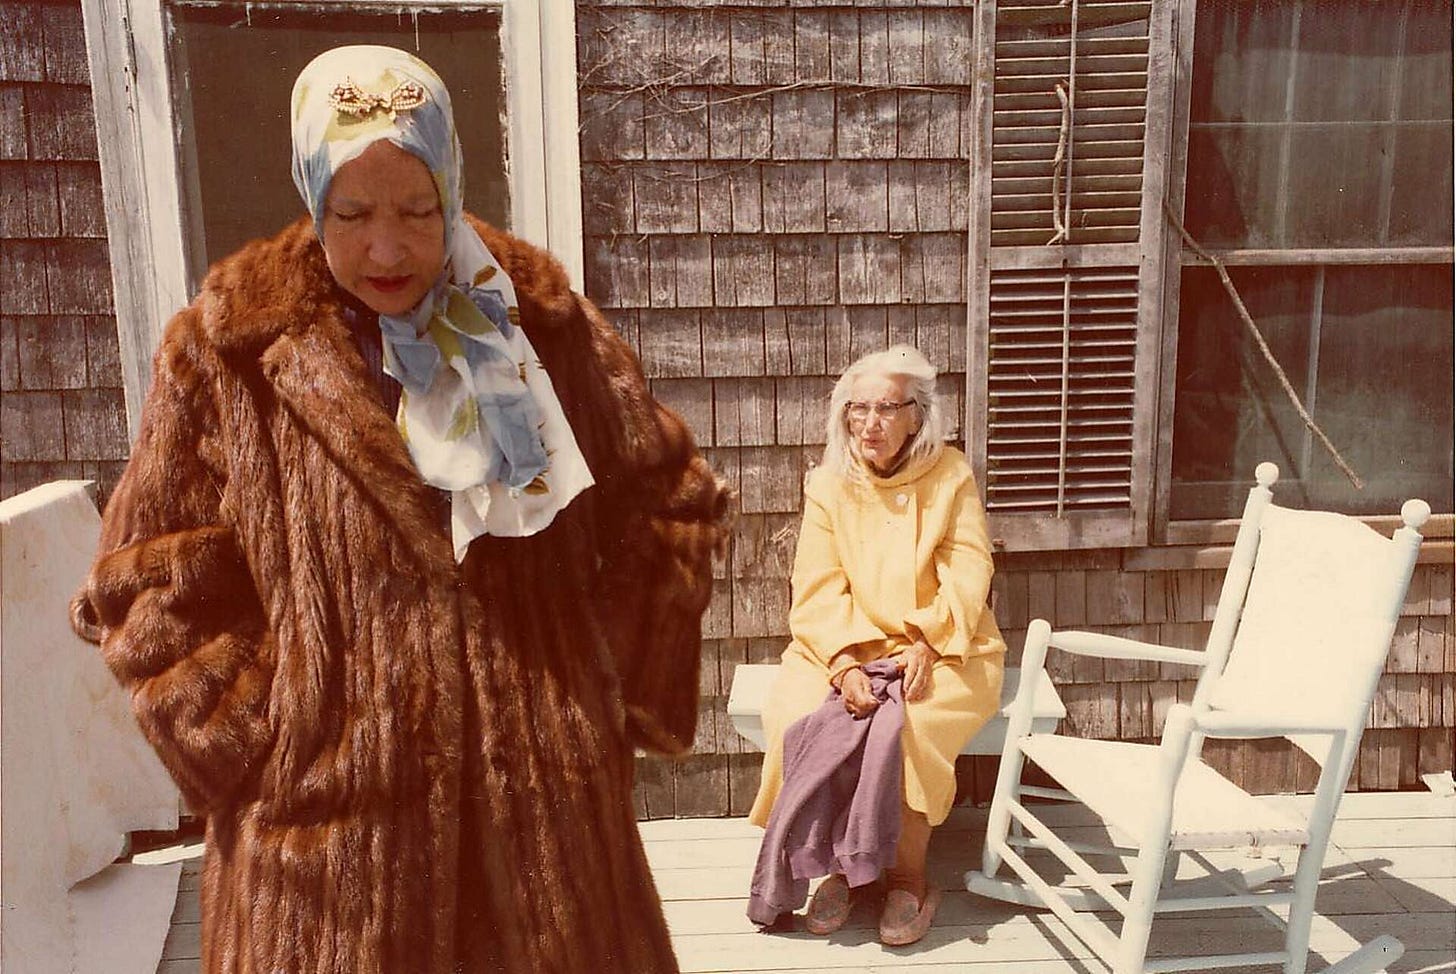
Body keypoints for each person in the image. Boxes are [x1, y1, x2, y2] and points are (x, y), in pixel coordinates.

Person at [68, 45, 728, 973]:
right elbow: (146, 575)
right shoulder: (230, 349)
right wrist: (256, 734)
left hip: (543, 841)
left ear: (451, 188)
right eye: (353, 213)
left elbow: (667, 499)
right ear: (312, 197)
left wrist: (603, 688)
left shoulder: (536, 322)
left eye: (418, 210)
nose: (388, 248)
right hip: (327, 859)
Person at [748, 345, 1006, 946]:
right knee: (803, 717)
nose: (870, 423)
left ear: (917, 415)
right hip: (843, 640)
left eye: (887, 408)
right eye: (857, 409)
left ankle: (908, 878)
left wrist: (927, 641)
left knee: (910, 726)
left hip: (946, 642)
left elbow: (970, 568)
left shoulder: (950, 475)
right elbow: (816, 584)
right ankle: (842, 869)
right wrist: (842, 662)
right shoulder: (828, 484)